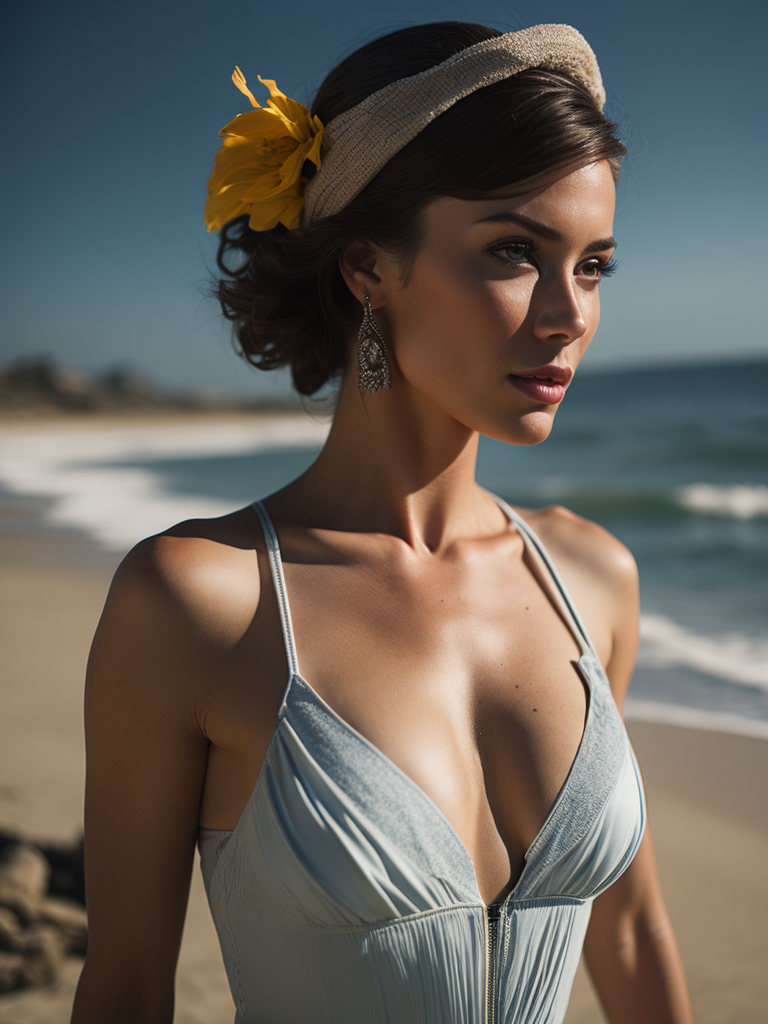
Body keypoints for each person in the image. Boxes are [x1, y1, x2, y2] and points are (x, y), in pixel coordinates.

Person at [71, 21, 695, 1024]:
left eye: (593, 265)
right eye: (512, 251)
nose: (570, 312)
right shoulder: (198, 602)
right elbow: (129, 985)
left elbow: (629, 932)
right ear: (367, 268)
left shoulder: (591, 576)